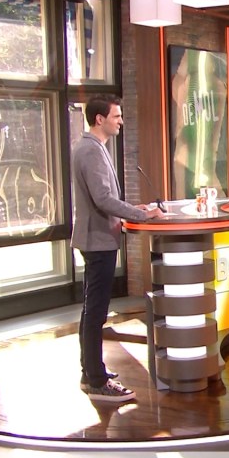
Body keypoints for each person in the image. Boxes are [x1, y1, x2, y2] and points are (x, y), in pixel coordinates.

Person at [71, 94, 164, 402]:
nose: (121, 121)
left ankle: (91, 372)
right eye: (117, 116)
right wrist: (141, 214)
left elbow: (104, 199)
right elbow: (102, 199)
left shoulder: (93, 147)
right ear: (100, 119)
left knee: (93, 309)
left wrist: (133, 208)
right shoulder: (90, 150)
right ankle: (96, 380)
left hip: (99, 239)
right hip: (97, 241)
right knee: (95, 311)